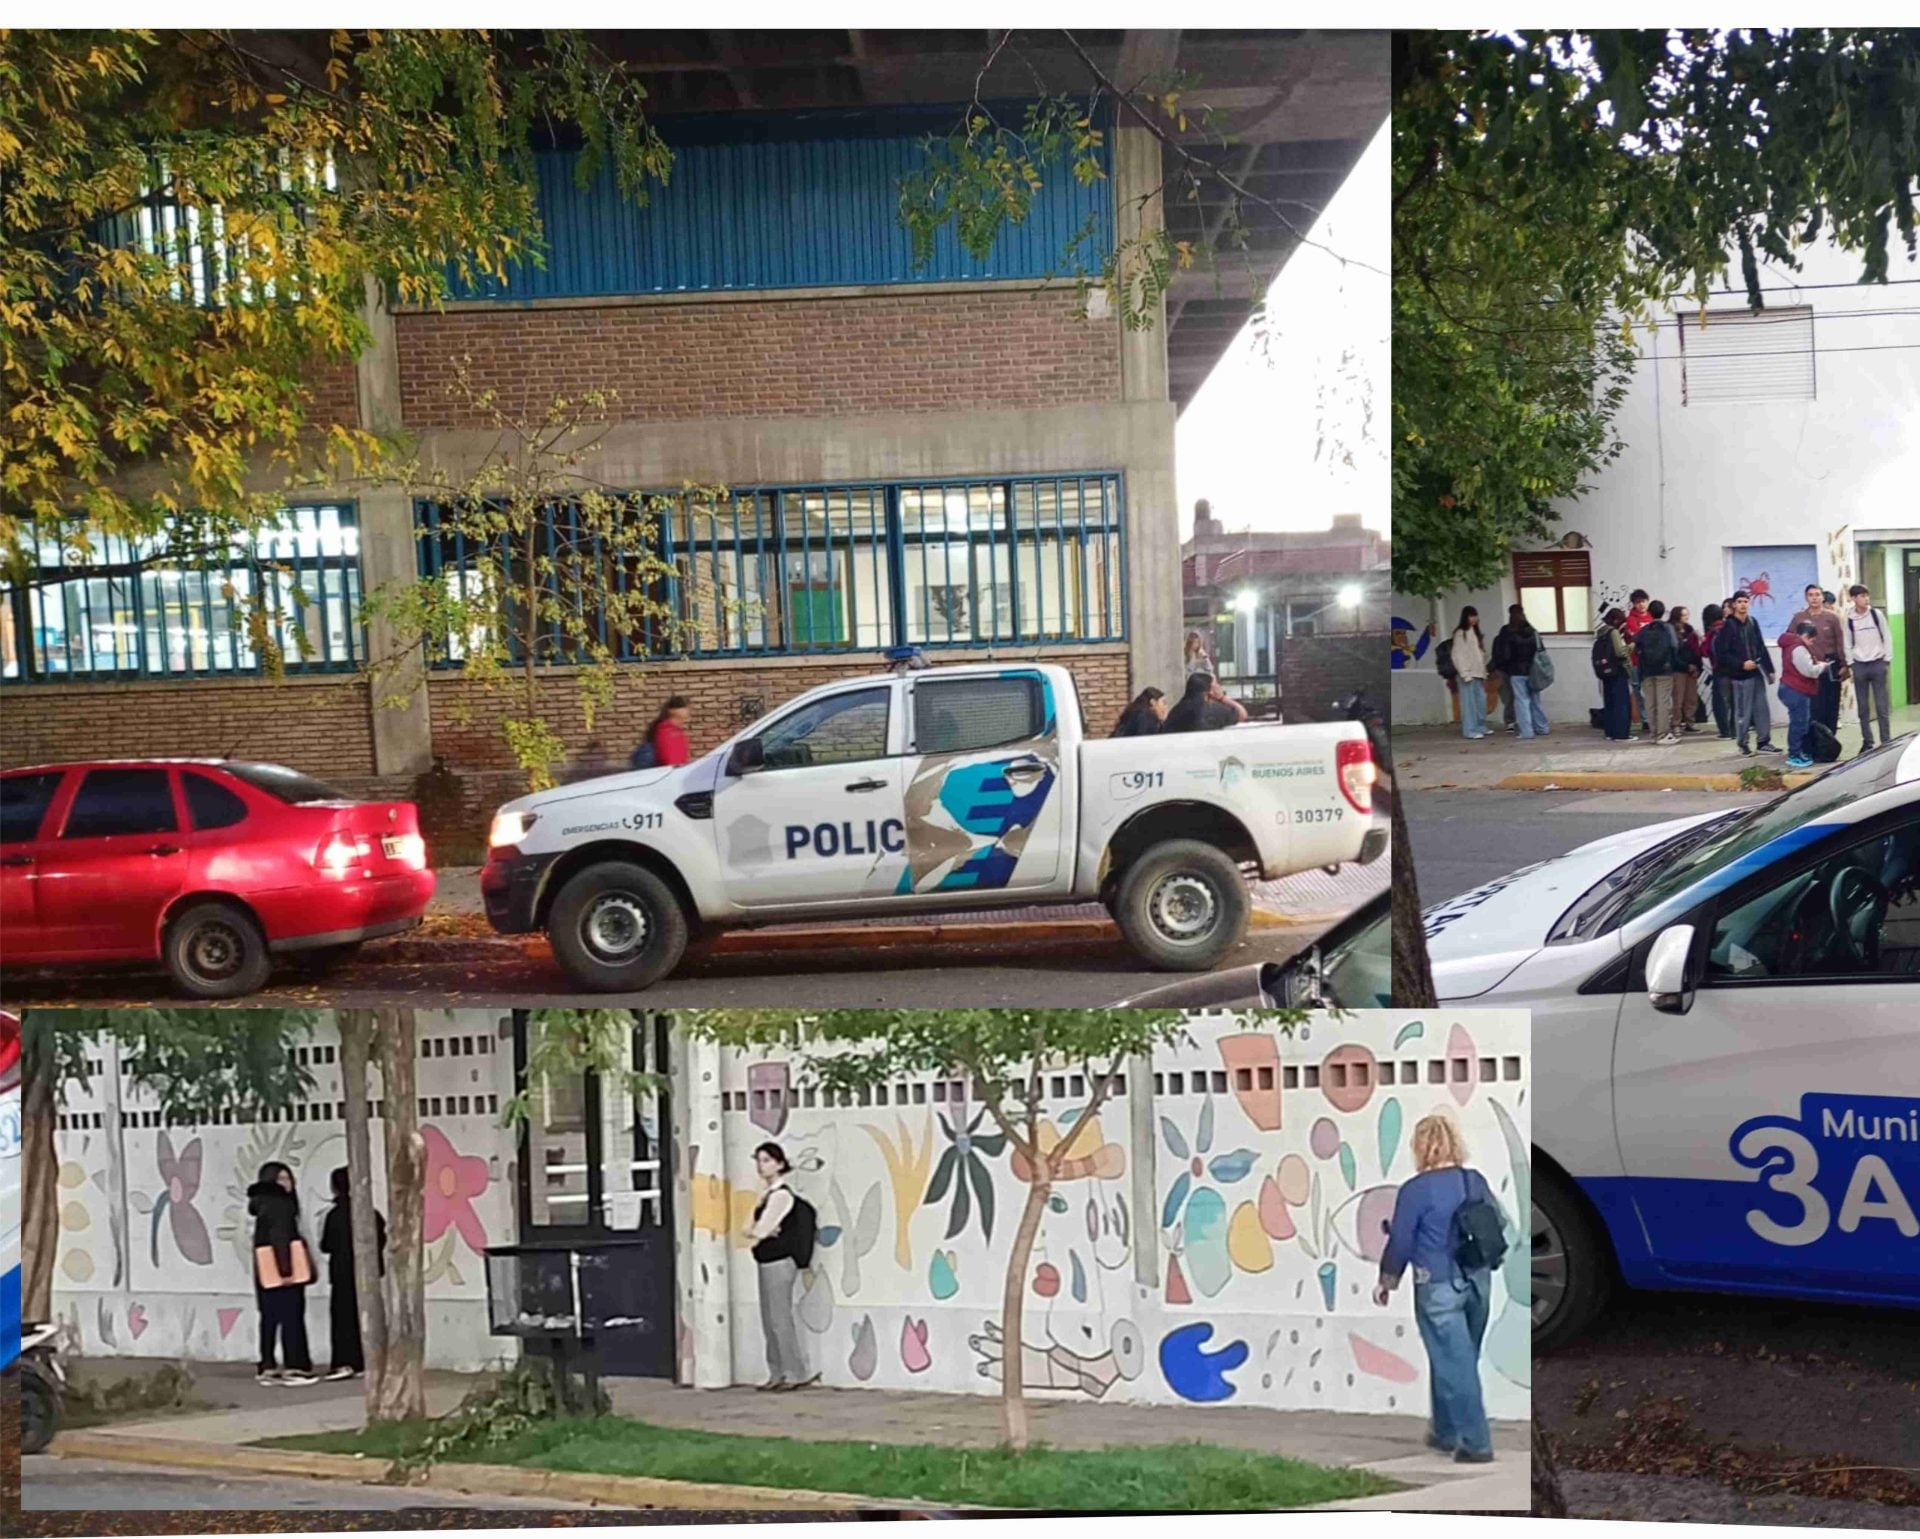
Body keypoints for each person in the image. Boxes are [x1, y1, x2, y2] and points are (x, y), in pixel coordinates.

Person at [1373, 1114, 1501, 1465]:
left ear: (1419, 1147)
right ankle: (1445, 1431)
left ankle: (1476, 1443)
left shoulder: (1415, 1190)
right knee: (1458, 1358)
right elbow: (1497, 1221)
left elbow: (1400, 1241)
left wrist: (1387, 1281)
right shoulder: (1474, 1181)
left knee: (1454, 1362)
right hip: (1478, 1279)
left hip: (1438, 1284)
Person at [745, 1142, 818, 1393]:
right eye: (759, 1160)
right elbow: (748, 1228)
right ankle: (776, 1371)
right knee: (769, 1319)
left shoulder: (781, 1195)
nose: (761, 1166)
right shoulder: (765, 1195)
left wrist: (762, 1231)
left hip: (779, 1261)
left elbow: (759, 1229)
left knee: (780, 1318)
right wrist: (759, 1231)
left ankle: (794, 1372)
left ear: (779, 1164)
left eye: (766, 1160)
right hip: (765, 1260)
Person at [249, 1161, 316, 1387]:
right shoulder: (281, 1206)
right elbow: (281, 1238)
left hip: (265, 1271)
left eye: (288, 1178)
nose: (288, 1183)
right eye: (281, 1179)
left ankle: (267, 1364)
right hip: (284, 1270)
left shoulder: (261, 1206)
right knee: (291, 1317)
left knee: (269, 1317)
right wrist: (287, 1269)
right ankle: (294, 1364)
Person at [319, 1166, 386, 1381]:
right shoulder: (371, 1213)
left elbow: (326, 1245)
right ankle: (367, 1360)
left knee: (342, 1318)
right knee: (368, 1315)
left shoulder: (334, 1215)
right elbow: (382, 1239)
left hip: (341, 1273)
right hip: (369, 1272)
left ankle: (344, 1361)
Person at [1711, 591, 1778, 756]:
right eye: (1739, 601)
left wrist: (1769, 669)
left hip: (1757, 672)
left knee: (1762, 708)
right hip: (1739, 676)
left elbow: (1761, 646)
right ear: (1734, 604)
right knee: (1743, 711)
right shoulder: (1728, 626)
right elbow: (1722, 653)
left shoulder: (1753, 622)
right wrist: (1741, 664)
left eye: (1746, 601)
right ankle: (1743, 743)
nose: (1743, 604)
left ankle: (1764, 742)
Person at [1791, 584, 1846, 753]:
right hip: (1809, 668)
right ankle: (1814, 745)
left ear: (1822, 597)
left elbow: (1840, 642)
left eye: (1817, 594)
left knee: (1831, 706)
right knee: (1814, 708)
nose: (1814, 598)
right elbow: (1790, 640)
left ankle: (1830, 745)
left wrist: (1844, 665)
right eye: (1810, 595)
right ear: (1806, 598)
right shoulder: (1799, 618)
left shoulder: (1832, 618)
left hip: (1830, 666)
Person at [1777, 619, 1834, 769]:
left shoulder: (1791, 645)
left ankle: (1798, 752)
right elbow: (1808, 671)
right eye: (1812, 639)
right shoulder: (1798, 648)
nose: (1812, 643)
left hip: (1791, 688)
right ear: (1806, 635)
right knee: (1799, 723)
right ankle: (1794, 755)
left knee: (1800, 721)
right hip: (1795, 690)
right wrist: (1822, 666)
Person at [1844, 584, 1894, 753]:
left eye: (1867, 596)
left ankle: (1886, 740)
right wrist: (1852, 663)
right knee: (1863, 708)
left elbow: (1887, 636)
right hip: (1859, 665)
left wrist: (1886, 660)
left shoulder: (1876, 614)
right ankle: (1867, 741)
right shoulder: (1849, 619)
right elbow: (1847, 642)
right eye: (1862, 596)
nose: (1866, 599)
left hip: (1877, 663)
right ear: (1854, 598)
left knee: (1881, 705)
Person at [1489, 605, 1548, 739]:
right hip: (1533, 671)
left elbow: (1505, 655)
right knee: (1536, 700)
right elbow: (1541, 650)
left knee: (1522, 702)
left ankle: (1527, 731)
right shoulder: (1533, 631)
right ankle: (1542, 727)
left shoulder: (1508, 631)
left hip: (1516, 672)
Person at [1634, 600, 1680, 745]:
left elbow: (1637, 648)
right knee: (1663, 702)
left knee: (1650, 703)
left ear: (1650, 612)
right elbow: (1674, 646)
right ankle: (1662, 734)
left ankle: (1654, 733)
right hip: (1664, 671)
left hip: (1647, 671)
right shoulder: (1668, 628)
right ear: (1663, 611)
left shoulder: (1644, 630)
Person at [1449, 608, 1490, 740]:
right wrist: (1464, 673)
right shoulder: (1461, 633)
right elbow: (1457, 654)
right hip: (1468, 674)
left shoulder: (1475, 632)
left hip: (1478, 673)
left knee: (1480, 703)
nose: (1474, 619)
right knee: (1469, 704)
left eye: (1475, 616)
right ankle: (1470, 730)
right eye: (1471, 616)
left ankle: (1480, 726)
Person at [1593, 608, 1633, 741]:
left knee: (1610, 703)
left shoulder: (1602, 632)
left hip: (1605, 672)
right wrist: (1632, 645)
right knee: (1621, 703)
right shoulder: (1614, 632)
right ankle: (1622, 734)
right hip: (1617, 671)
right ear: (1616, 620)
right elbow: (1620, 652)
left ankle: (1610, 732)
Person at [1162, 671, 1248, 734]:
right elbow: (1242, 714)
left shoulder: (1176, 711)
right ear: (1210, 691)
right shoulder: (1213, 710)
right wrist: (1222, 697)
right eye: (1216, 685)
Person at [1700, 603, 1733, 739]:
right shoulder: (1730, 628)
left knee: (1719, 702)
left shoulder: (1712, 632)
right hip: (1735, 670)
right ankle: (1735, 730)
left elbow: (1704, 652)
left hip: (1719, 670)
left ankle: (1725, 731)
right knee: (1734, 702)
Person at [1623, 589, 1653, 733]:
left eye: (1643, 601)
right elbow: (1636, 636)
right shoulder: (1630, 619)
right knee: (1638, 690)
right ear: (1633, 604)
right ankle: (1645, 719)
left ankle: (1654, 717)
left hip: (1651, 661)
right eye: (1637, 602)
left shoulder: (1652, 617)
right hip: (1636, 661)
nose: (1641, 605)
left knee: (1651, 690)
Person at [633, 696, 691, 770]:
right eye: (685, 707)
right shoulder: (666, 731)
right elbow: (669, 761)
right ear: (672, 710)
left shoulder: (677, 731)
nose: (688, 711)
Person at [1671, 606, 1704, 733]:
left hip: (1692, 668)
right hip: (1678, 669)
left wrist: (1697, 666)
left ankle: (1690, 722)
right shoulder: (1671, 630)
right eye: (1684, 615)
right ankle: (1676, 724)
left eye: (1687, 614)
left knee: (1691, 698)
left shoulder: (1690, 630)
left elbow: (1696, 650)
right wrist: (1685, 665)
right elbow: (1674, 653)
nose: (1687, 617)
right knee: (1678, 698)